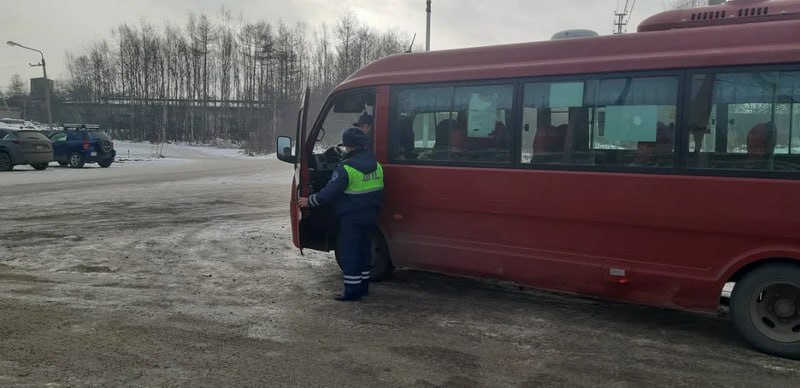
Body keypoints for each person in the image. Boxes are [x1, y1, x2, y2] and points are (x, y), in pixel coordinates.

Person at [298, 127, 384, 302]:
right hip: (371, 216)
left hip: (351, 218)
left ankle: (352, 291)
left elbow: (329, 193)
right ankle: (363, 286)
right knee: (364, 251)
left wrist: (309, 201)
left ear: (349, 147)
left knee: (350, 252)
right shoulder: (377, 165)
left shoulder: (346, 168)